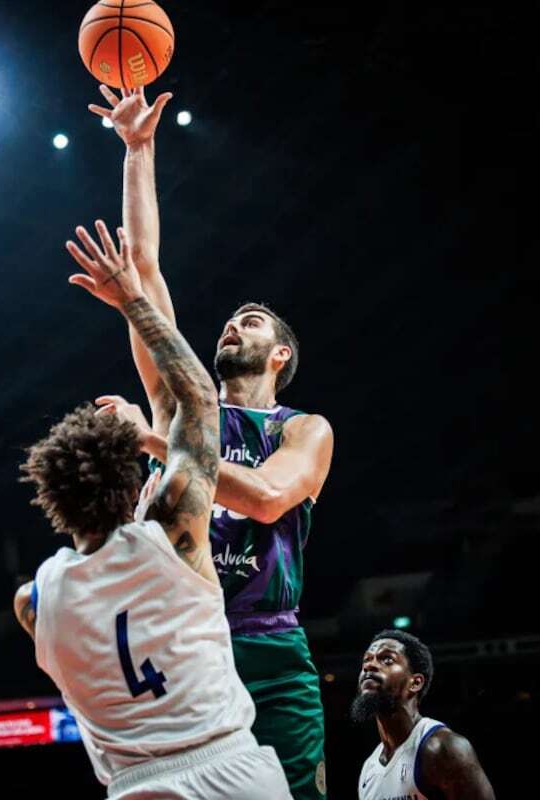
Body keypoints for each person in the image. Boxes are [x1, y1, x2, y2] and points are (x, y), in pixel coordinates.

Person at [88, 83, 335, 800]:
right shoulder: (181, 405)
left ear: (280, 355)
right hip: (188, 637)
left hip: (270, 642)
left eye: (252, 322)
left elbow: (262, 500)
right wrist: (138, 148)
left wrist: (155, 442)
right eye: (230, 319)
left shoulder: (302, 428)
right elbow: (145, 270)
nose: (234, 323)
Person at [13, 220, 290, 799]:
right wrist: (133, 298)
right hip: (228, 765)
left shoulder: (34, 600)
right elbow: (195, 400)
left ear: (52, 498)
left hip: (135, 785)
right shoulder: (174, 536)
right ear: (132, 472)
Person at [353, 629, 495, 800]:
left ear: (415, 682)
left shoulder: (443, 748)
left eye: (387, 659)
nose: (369, 666)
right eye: (366, 660)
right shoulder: (369, 768)